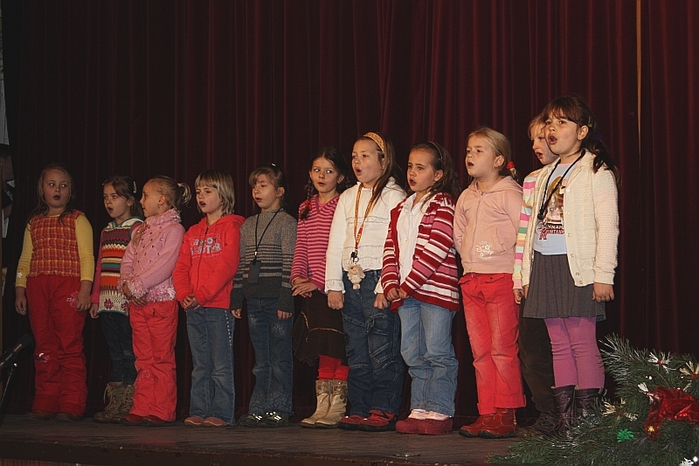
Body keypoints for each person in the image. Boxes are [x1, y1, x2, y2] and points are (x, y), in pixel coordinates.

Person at [522, 94, 619, 431]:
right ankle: (567, 423)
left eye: (562, 123)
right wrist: (525, 275)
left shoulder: (595, 170)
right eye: (550, 122)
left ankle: (589, 424)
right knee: (558, 346)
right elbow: (530, 230)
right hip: (545, 264)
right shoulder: (544, 174)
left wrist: (603, 274)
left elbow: (608, 226)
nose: (552, 129)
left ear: (582, 131)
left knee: (581, 342)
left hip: (577, 267)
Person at [325, 131, 405, 432]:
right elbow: (336, 242)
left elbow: (396, 244)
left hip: (377, 279)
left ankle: (383, 407)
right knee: (356, 350)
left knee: (382, 347)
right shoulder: (348, 196)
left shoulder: (394, 196)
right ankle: (359, 407)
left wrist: (385, 284)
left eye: (365, 156)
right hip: (351, 280)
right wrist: (334, 283)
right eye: (354, 157)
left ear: (383, 161)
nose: (357, 162)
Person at [381, 141, 462, 435]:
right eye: (410, 167)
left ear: (438, 174)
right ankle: (420, 408)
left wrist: (409, 284)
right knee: (412, 351)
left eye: (421, 167)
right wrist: (390, 282)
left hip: (434, 293)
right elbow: (390, 247)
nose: (412, 173)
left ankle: (440, 410)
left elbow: (436, 248)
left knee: (437, 350)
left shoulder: (444, 204)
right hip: (407, 294)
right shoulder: (401, 208)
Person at [454, 127, 525, 438]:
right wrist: (472, 259)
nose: (470, 155)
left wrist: (512, 270)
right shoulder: (466, 196)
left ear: (498, 160)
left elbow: (524, 235)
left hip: (501, 279)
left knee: (502, 349)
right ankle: (487, 412)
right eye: (469, 150)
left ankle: (506, 413)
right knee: (480, 351)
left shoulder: (510, 194)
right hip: (472, 280)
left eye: (479, 150)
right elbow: (459, 233)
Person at [15, 163, 94, 422]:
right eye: (51, 184)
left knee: (69, 344)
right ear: (42, 190)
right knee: (44, 345)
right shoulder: (34, 222)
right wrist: (20, 290)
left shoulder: (78, 219)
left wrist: (85, 290)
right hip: (38, 287)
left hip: (67, 286)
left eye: (63, 185)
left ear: (70, 191)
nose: (57, 189)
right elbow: (25, 260)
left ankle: (72, 401)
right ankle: (46, 399)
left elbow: (87, 257)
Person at [174, 170, 244, 427]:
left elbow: (227, 266)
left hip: (218, 306)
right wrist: (184, 294)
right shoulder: (193, 231)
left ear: (223, 195)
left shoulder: (233, 226)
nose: (201, 196)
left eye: (207, 191)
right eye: (198, 192)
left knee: (220, 364)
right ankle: (199, 409)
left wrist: (202, 295)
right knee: (200, 364)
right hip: (193, 306)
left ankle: (222, 413)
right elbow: (181, 267)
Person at [118, 175, 190, 426]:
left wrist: (137, 286)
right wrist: (126, 284)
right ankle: (142, 406)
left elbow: (165, 264)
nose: (141, 201)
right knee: (143, 359)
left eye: (145, 195)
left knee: (160, 359)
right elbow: (128, 259)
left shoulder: (174, 230)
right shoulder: (142, 229)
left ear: (161, 199)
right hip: (139, 305)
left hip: (160, 304)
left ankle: (161, 410)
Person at [291, 147, 353, 429]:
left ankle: (337, 406)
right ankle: (322, 405)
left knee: (337, 346)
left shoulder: (344, 204)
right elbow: (302, 247)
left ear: (340, 176)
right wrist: (297, 278)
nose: (322, 176)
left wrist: (318, 281)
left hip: (334, 286)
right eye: (317, 170)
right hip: (312, 290)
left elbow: (341, 248)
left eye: (329, 171)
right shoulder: (305, 207)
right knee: (322, 347)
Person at [231, 163, 297, 428]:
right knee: (261, 359)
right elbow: (242, 262)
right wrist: (237, 296)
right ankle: (259, 407)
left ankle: (279, 407)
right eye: (254, 186)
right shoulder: (249, 225)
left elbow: (289, 262)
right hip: (254, 299)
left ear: (279, 191)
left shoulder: (287, 223)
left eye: (263, 185)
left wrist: (286, 298)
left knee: (279, 356)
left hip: (276, 300)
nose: (256, 191)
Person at [513, 116, 558, 437]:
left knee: (566, 347)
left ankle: (574, 415)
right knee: (531, 350)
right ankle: (548, 412)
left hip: (562, 275)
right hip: (533, 278)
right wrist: (518, 278)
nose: (536, 145)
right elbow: (524, 235)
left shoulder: (580, 175)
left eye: (542, 138)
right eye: (533, 140)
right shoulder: (531, 180)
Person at [90, 176, 144, 423]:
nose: (109, 202)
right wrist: (95, 298)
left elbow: (138, 263)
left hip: (126, 302)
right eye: (105, 197)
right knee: (115, 352)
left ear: (130, 200)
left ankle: (130, 401)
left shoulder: (137, 227)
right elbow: (100, 265)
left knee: (129, 351)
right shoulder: (106, 230)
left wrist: (134, 295)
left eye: (114, 197)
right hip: (106, 302)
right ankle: (116, 400)